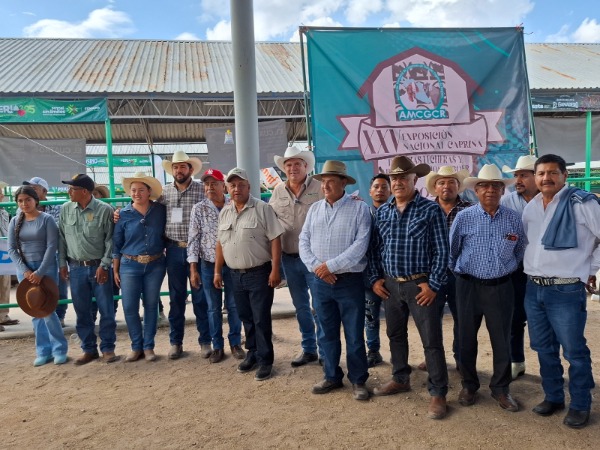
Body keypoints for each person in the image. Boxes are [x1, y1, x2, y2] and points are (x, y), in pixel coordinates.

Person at [368, 156, 449, 420]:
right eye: (394, 178)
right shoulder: (383, 212)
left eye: (404, 178)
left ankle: (438, 392)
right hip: (391, 285)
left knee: (431, 341)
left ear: (415, 180)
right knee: (395, 334)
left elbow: (442, 251)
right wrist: (375, 279)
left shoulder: (430, 210)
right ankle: (400, 378)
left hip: (420, 286)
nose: (398, 182)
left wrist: (433, 285)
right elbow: (375, 250)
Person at [523, 154, 599, 429]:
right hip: (534, 288)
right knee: (543, 348)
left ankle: (580, 404)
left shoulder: (583, 203)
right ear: (535, 177)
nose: (547, 178)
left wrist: (591, 267)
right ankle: (554, 396)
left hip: (566, 290)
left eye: (553, 172)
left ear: (565, 175)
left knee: (574, 351)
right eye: (541, 173)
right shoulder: (532, 207)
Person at [450, 164, 525, 413]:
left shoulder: (513, 219)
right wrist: (462, 278)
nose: (490, 190)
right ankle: (469, 385)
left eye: (496, 186)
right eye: (484, 186)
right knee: (466, 338)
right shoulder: (464, 217)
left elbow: (519, 250)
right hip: (468, 286)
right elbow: (452, 251)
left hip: (501, 288)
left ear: (503, 190)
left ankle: (501, 388)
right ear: (476, 190)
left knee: (502, 339)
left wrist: (505, 269)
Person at [299, 160, 371, 401]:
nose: (325, 185)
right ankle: (331, 376)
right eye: (323, 181)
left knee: (354, 334)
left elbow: (360, 246)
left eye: (331, 181)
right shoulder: (314, 209)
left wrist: (328, 266)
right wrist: (317, 268)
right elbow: (303, 241)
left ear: (343, 183)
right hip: (320, 283)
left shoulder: (359, 208)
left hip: (349, 281)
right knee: (326, 332)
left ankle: (358, 380)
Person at [214, 168, 284, 381]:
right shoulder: (225, 212)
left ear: (249, 187)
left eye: (241, 185)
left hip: (259, 273)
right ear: (227, 188)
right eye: (232, 185)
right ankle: (252, 353)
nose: (236, 189)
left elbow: (275, 239)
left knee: (261, 318)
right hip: (234, 275)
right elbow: (220, 243)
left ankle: (265, 360)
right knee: (246, 316)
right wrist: (217, 271)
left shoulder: (263, 208)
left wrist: (275, 269)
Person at [270, 146, 323, 367]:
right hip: (289, 259)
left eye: (297, 164)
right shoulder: (277, 191)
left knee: (320, 306)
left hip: (315, 259)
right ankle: (309, 348)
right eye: (289, 164)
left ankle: (325, 350)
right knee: (301, 307)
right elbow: (271, 223)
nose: (293, 168)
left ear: (306, 166)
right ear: (284, 169)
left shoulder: (320, 187)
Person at [58, 173, 117, 365]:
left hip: (99, 267)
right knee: (82, 311)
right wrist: (62, 263)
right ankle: (89, 349)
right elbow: (61, 238)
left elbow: (110, 240)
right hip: (75, 268)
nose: (69, 192)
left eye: (72, 189)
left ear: (84, 191)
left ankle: (108, 348)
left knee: (106, 309)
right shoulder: (66, 209)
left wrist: (104, 265)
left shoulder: (104, 210)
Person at [188, 168, 244, 363]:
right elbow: (193, 240)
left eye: (214, 183)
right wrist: (193, 269)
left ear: (223, 186)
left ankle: (235, 343)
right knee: (212, 307)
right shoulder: (199, 208)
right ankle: (217, 346)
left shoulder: (234, 204)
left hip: (233, 263)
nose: (209, 187)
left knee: (234, 305)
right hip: (208, 265)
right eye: (207, 184)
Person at [419, 166, 472, 371]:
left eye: (451, 182)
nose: (446, 186)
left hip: (461, 274)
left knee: (462, 318)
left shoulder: (470, 209)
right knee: (431, 319)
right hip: (433, 274)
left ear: (458, 186)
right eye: (441, 182)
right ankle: (433, 358)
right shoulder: (425, 210)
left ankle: (461, 358)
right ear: (435, 187)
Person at [7, 186, 68, 365]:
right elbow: (11, 248)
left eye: (28, 200)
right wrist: (25, 270)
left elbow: (52, 246)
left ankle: (59, 349)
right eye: (20, 201)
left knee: (48, 309)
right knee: (34, 309)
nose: (24, 204)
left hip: (46, 268)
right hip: (25, 270)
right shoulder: (15, 221)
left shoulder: (46, 219)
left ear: (36, 200)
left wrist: (40, 272)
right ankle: (43, 351)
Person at [159, 150, 210, 360]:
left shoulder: (201, 190)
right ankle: (176, 342)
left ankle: (205, 341)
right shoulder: (164, 192)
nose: (178, 170)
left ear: (190, 169)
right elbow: (146, 208)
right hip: (173, 250)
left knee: (201, 298)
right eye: (175, 167)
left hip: (198, 250)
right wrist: (118, 212)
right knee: (176, 298)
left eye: (182, 166)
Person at [113, 173, 167, 362]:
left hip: (155, 264)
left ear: (149, 191)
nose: (137, 193)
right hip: (129, 265)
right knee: (129, 306)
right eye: (133, 190)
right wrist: (115, 269)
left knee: (151, 305)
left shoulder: (160, 210)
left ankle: (148, 346)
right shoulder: (123, 214)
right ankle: (136, 345)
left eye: (141, 190)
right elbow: (117, 243)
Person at [501, 154, 539, 380]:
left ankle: (549, 365)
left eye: (524, 175)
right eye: (516, 175)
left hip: (543, 266)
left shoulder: (550, 199)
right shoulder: (507, 201)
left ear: (537, 176)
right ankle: (517, 361)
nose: (518, 180)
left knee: (543, 317)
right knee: (514, 316)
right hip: (516, 267)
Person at [22, 177, 68, 327]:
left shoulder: (56, 207)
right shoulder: (22, 210)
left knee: (58, 288)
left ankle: (59, 315)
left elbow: (56, 232)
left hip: (54, 252)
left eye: (34, 188)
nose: (31, 191)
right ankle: (43, 319)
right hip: (34, 255)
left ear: (44, 191)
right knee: (35, 290)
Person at [364, 174, 391, 367]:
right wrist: (373, 278)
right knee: (371, 316)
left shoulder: (397, 213)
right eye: (376, 186)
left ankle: (399, 355)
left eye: (384, 187)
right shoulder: (362, 214)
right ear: (370, 191)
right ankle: (373, 351)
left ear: (390, 191)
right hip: (370, 277)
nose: (380, 190)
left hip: (393, 276)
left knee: (397, 320)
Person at [0, 181, 18, 331]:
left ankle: (3, 315)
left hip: (4, 251)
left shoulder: (4, 212)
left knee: (4, 283)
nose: (1, 195)